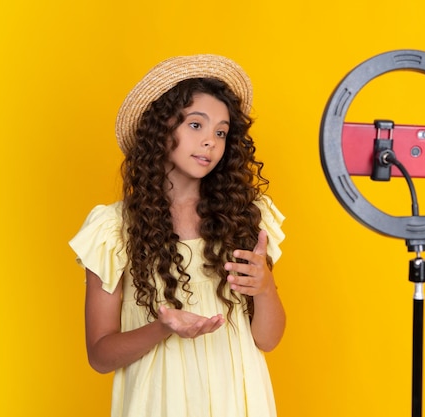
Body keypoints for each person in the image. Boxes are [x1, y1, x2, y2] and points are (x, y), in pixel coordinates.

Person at [69, 54, 286, 417]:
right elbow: (100, 355)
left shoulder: (243, 219)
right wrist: (162, 328)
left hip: (238, 399)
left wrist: (264, 288)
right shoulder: (113, 230)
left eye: (221, 131)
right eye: (196, 125)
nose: (211, 142)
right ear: (160, 129)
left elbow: (268, 338)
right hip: (158, 402)